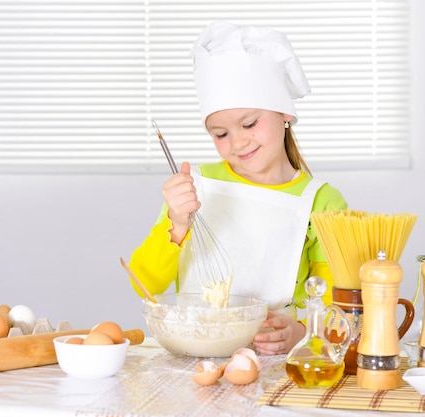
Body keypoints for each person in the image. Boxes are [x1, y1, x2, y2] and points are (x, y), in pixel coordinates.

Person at [129, 21, 347, 355]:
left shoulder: (321, 201)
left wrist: (302, 331)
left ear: (285, 113)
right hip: (193, 350)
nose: (238, 141)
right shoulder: (193, 188)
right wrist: (177, 223)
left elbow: (338, 302)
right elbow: (145, 282)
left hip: (273, 355)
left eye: (249, 123)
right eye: (220, 133)